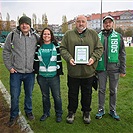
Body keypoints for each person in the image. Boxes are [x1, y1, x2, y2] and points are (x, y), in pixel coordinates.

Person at [60, 15, 103, 124]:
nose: (81, 23)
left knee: (87, 94)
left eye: (83, 21)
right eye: (78, 21)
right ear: (75, 23)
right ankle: (71, 112)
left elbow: (99, 48)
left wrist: (93, 59)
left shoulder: (93, 34)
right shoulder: (68, 34)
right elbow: (62, 48)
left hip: (88, 72)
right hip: (73, 72)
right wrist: (69, 58)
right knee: (72, 93)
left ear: (86, 23)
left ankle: (86, 112)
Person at [3, 16, 39, 127]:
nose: (24, 25)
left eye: (27, 24)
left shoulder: (35, 37)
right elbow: (6, 51)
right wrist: (10, 67)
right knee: (15, 95)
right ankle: (13, 116)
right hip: (16, 73)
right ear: (20, 25)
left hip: (30, 73)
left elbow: (46, 43)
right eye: (22, 23)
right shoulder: (12, 35)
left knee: (29, 94)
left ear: (30, 25)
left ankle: (28, 111)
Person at [95, 16, 126, 121]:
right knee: (101, 90)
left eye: (109, 22)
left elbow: (122, 54)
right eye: (105, 22)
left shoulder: (118, 36)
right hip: (101, 68)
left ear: (112, 24)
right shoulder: (98, 36)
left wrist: (123, 69)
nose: (107, 24)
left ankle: (112, 110)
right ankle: (101, 109)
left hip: (114, 68)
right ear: (103, 24)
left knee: (113, 90)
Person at [36, 27, 63, 123]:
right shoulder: (38, 46)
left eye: (48, 34)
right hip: (42, 76)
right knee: (45, 96)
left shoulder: (55, 46)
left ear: (51, 36)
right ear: (42, 36)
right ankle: (46, 113)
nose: (46, 35)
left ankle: (59, 113)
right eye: (44, 34)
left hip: (54, 76)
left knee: (57, 96)